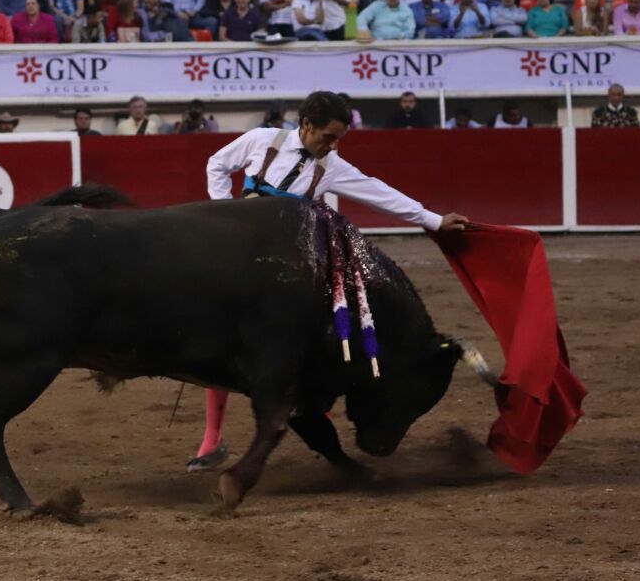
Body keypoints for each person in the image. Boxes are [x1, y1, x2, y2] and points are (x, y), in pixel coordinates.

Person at [189, 91, 467, 471]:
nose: (333, 146)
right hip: (241, 257)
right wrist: (222, 213)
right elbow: (217, 165)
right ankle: (211, 439)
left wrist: (432, 219)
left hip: (286, 266)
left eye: (339, 139)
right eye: (328, 137)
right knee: (221, 335)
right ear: (305, 125)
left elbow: (378, 192)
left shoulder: (331, 165)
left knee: (320, 331)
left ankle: (318, 405)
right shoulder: (261, 140)